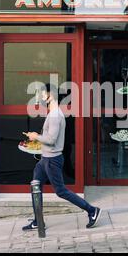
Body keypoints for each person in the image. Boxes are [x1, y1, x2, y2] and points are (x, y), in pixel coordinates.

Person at [22, 83, 102, 231]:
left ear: (50, 95)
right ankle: (38, 221)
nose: (40, 96)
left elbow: (51, 140)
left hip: (52, 160)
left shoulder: (55, 116)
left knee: (61, 191)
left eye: (42, 94)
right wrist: (37, 139)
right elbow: (49, 138)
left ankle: (92, 210)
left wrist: (36, 136)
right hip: (45, 160)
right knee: (35, 186)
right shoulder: (52, 113)